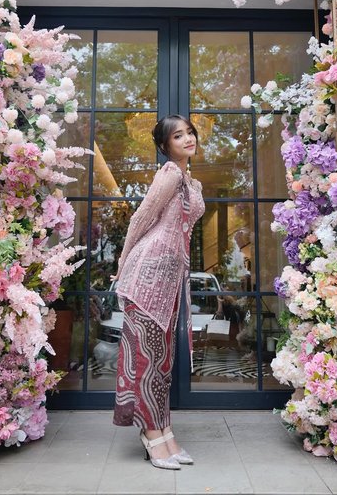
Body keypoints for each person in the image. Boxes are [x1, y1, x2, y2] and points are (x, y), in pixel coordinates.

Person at [111, 115, 205, 470]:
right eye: (178, 136)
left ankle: (165, 432)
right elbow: (141, 218)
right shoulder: (169, 174)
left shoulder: (190, 181)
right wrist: (122, 264)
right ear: (165, 146)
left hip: (169, 278)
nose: (187, 139)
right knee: (149, 361)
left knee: (162, 363)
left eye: (190, 133)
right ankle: (152, 436)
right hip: (148, 274)